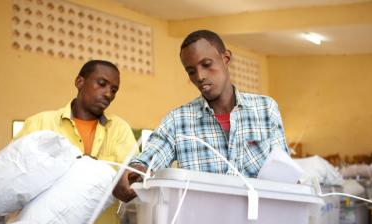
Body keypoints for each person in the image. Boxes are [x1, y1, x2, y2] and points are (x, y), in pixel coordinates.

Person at [113, 30, 287, 202]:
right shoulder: (178, 121)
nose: (200, 76)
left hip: (259, 223)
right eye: (191, 71)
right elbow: (149, 160)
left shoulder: (265, 109)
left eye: (206, 64)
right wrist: (134, 172)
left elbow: (284, 175)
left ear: (226, 59)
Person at [16, 60, 137, 224]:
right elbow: (19, 175)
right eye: (102, 84)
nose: (108, 94)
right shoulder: (40, 123)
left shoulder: (120, 130)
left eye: (114, 90)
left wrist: (127, 181)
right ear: (79, 82)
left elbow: (131, 173)